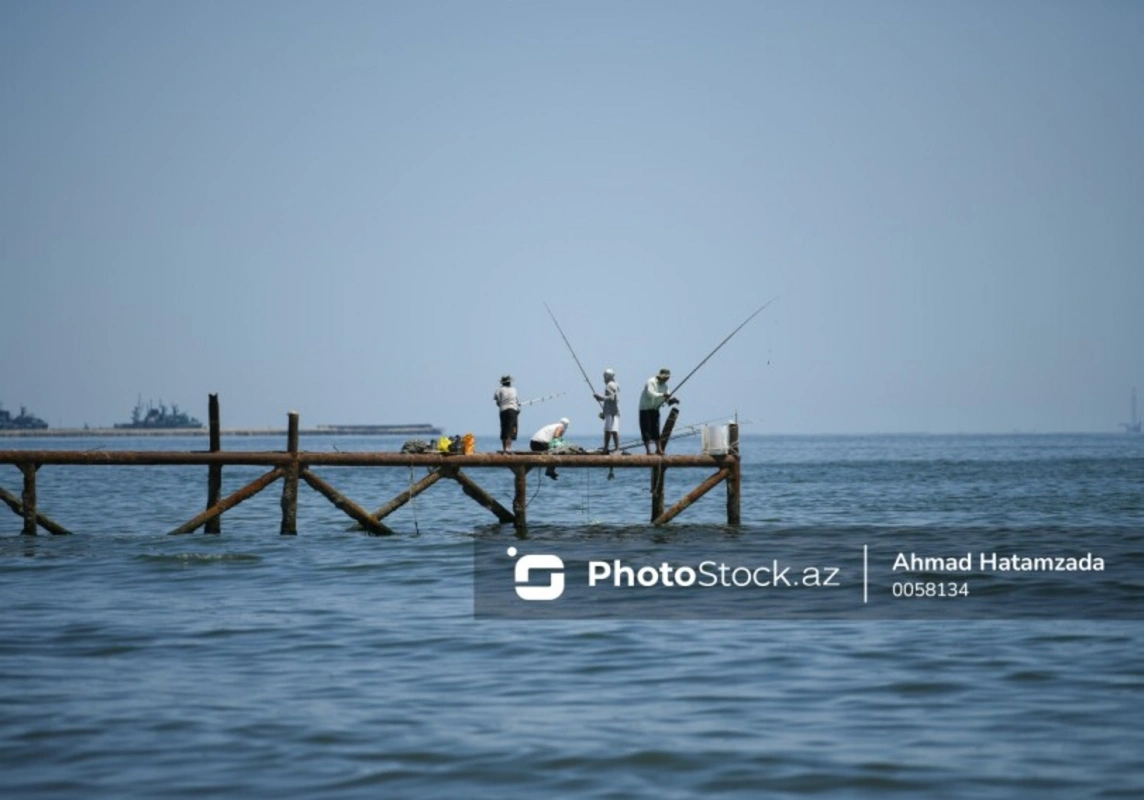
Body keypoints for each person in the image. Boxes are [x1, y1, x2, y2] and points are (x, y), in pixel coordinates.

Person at [639, 368, 678, 455]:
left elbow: (667, 397)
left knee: (656, 430)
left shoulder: (665, 386)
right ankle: (648, 451)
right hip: (645, 409)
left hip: (655, 409)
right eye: (666, 377)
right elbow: (650, 394)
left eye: (668, 378)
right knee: (646, 430)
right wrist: (663, 395)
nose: (667, 379)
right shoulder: (651, 382)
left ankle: (659, 450)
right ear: (661, 376)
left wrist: (672, 400)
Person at [593, 368, 620, 454]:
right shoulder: (616, 384)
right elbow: (613, 398)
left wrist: (600, 397)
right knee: (614, 430)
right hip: (615, 411)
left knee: (608, 430)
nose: (603, 378)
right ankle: (616, 448)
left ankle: (606, 448)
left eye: (604, 376)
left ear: (607, 376)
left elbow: (611, 398)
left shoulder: (609, 385)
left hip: (611, 412)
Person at [493, 375, 520, 453]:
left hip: (503, 410)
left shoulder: (499, 390)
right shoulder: (514, 389)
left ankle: (504, 448)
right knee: (511, 428)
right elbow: (516, 401)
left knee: (504, 428)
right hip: (513, 410)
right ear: (510, 382)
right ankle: (508, 448)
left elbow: (498, 403)